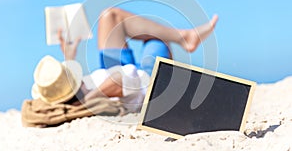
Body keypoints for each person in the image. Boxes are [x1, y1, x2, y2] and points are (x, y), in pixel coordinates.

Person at [58, 7, 218, 109]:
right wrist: (83, 103)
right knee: (157, 39)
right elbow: (118, 81)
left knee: (110, 16)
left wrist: (69, 56)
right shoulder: (86, 98)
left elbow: (58, 88)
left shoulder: (70, 87)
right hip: (144, 79)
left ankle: (184, 37)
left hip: (114, 69)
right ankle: (184, 37)